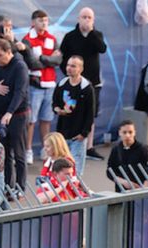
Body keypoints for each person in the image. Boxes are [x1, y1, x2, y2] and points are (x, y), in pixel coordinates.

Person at [59, 7, 108, 161]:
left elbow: (102, 49)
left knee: (90, 114)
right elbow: (63, 57)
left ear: (93, 20)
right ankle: (67, 147)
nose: (86, 20)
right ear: (78, 18)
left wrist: (91, 32)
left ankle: (89, 146)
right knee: (70, 110)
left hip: (92, 83)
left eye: (89, 17)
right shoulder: (70, 36)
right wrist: (68, 74)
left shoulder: (97, 35)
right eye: (83, 17)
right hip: (73, 82)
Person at [0, 39, 30, 193]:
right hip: (0, 113)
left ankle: (20, 187)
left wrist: (10, 112)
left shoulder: (19, 66)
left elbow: (20, 92)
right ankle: (7, 186)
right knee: (5, 152)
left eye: (0, 55)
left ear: (9, 52)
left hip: (18, 115)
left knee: (19, 153)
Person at [22, 9, 62, 165]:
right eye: (40, 20)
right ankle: (28, 150)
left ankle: (46, 150)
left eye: (45, 20)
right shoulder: (27, 40)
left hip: (50, 85)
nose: (44, 23)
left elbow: (58, 60)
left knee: (46, 119)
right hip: (35, 86)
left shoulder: (52, 39)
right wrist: (49, 60)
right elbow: (32, 62)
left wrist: (44, 58)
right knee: (31, 121)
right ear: (33, 22)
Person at [52, 55, 95, 175]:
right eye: (68, 65)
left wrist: (84, 133)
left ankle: (77, 189)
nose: (69, 68)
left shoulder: (86, 88)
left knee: (76, 166)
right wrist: (57, 110)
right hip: (63, 132)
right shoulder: (62, 84)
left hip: (78, 134)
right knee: (62, 165)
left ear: (80, 69)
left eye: (73, 66)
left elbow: (90, 113)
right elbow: (55, 102)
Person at [105, 120, 148, 191]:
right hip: (121, 190)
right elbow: (110, 170)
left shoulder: (142, 149)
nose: (127, 135)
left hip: (138, 188)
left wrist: (144, 188)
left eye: (130, 132)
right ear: (119, 133)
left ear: (134, 133)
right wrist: (123, 182)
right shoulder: (116, 149)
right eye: (124, 132)